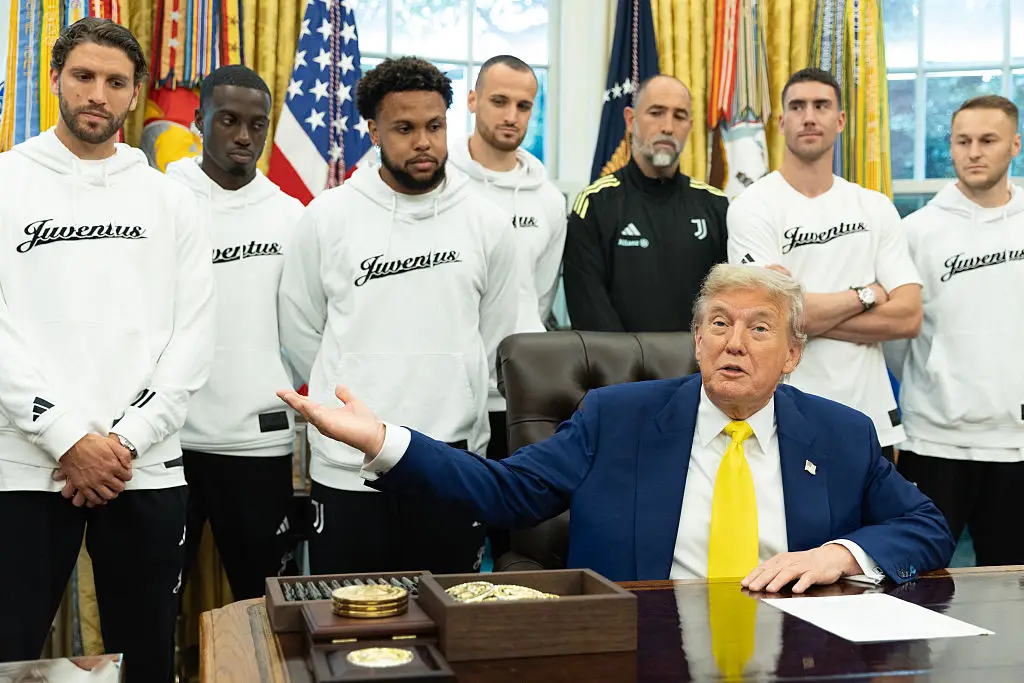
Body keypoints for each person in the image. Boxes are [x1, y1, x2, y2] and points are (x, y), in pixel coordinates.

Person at [279, 264, 955, 588]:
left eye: (758, 328)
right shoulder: (617, 417)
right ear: (696, 339)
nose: (734, 343)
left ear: (793, 353)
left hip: (795, 650)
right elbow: (504, 493)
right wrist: (383, 440)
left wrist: (838, 554)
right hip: (644, 647)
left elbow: (926, 528)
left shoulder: (841, 433)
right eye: (719, 323)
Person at [0, 18, 215, 683]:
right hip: (26, 465)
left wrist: (122, 442)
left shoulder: (170, 199)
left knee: (147, 654)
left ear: (134, 94)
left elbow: (194, 335)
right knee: (10, 650)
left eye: (116, 82)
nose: (98, 94)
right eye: (85, 77)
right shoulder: (7, 181)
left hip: (143, 467)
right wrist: (66, 435)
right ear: (56, 78)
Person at [278, 57, 517, 575]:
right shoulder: (328, 216)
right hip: (347, 464)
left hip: (451, 461)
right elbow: (300, 332)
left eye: (434, 126)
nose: (423, 141)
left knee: (446, 626)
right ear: (374, 130)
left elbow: (496, 336)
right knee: (346, 626)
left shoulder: (487, 223)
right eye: (404, 129)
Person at [727, 68, 922, 461]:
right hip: (785, 417)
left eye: (821, 105)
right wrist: (867, 294)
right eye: (797, 107)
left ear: (841, 120)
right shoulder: (753, 206)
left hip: (869, 416)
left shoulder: (874, 206)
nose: (809, 116)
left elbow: (908, 318)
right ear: (782, 122)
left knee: (876, 525)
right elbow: (769, 317)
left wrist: (804, 314)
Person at [168, 65, 304, 600]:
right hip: (166, 442)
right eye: (228, 120)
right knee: (156, 602)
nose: (244, 136)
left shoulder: (291, 216)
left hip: (257, 444)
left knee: (266, 600)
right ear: (200, 121)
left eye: (257, 124)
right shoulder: (162, 201)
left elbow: (303, 327)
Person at [888, 95, 1024, 566]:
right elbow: (895, 340)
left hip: (1016, 444)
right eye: (963, 141)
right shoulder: (917, 231)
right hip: (934, 441)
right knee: (922, 587)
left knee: (1011, 592)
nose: (974, 152)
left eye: (988, 140)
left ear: (1015, 145)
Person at [448, 54, 567, 466]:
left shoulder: (548, 199)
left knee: (515, 522)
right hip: (449, 389)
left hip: (519, 390)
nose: (512, 115)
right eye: (499, 101)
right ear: (471, 101)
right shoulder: (441, 182)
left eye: (524, 105)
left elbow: (540, 293)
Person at [563, 74, 729, 333]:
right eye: (656, 112)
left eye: (679, 116)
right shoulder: (595, 204)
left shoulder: (715, 206)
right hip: (621, 370)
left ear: (690, 126)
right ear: (630, 120)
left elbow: (728, 306)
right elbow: (589, 312)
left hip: (699, 370)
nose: (668, 127)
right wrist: (632, 370)